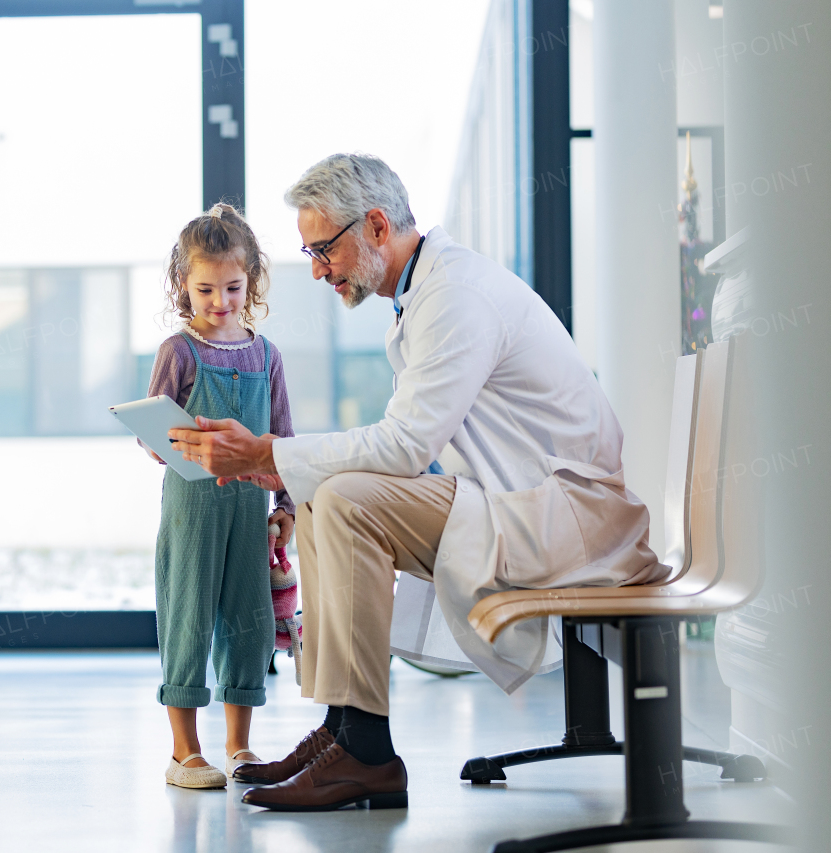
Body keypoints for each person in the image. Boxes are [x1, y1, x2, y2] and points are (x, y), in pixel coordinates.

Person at [169, 154, 669, 811]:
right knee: (330, 492)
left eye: (324, 249)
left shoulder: (456, 296)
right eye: (309, 252)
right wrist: (277, 463)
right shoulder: (425, 295)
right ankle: (343, 729)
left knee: (343, 497)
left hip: (570, 517)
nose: (318, 269)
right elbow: (407, 444)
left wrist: (270, 450)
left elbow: (405, 447)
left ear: (376, 225)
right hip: (523, 501)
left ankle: (366, 752)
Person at [144, 203, 297, 790]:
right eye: (206, 288)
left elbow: (282, 439)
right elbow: (155, 435)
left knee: (249, 623)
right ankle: (185, 751)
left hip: (250, 510)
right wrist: (170, 443)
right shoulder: (178, 352)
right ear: (184, 284)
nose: (220, 301)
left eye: (232, 287)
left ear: (250, 282)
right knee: (187, 618)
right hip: (191, 510)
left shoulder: (266, 355)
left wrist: (284, 506)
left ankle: (240, 745)